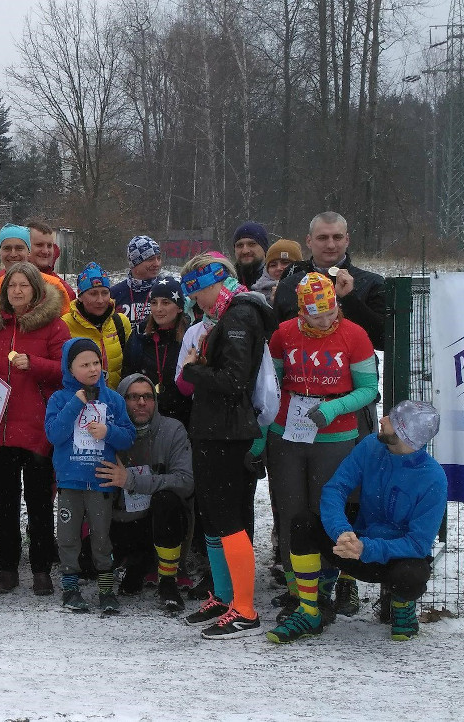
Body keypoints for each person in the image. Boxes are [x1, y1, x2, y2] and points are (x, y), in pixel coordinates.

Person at [267, 401, 445, 643]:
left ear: (406, 434)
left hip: (391, 559)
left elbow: (418, 544)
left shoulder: (433, 478)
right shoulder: (371, 445)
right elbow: (335, 488)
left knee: (412, 574)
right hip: (351, 545)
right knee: (303, 523)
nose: (382, 420)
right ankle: (309, 611)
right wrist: (341, 531)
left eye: (392, 419)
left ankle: (402, 606)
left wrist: (367, 548)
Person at [264, 273, 378, 628]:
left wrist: (334, 407)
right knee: (291, 512)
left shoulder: (354, 335)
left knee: (325, 511)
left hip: (335, 433)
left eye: (332, 312)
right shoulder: (283, 334)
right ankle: (297, 591)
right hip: (287, 431)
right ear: (301, 312)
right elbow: (270, 385)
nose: (327, 321)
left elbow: (369, 389)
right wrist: (261, 433)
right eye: (317, 316)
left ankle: (324, 591)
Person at [179, 253, 276, 639]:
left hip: (227, 432)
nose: (193, 301)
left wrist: (192, 369)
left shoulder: (239, 316)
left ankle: (245, 609)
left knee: (228, 518)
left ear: (214, 283)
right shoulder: (227, 314)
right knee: (215, 518)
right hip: (213, 429)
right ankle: (224, 596)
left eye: (195, 291)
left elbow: (234, 380)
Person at [0, 261, 70, 595]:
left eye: (23, 285)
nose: (16, 291)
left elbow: (66, 371)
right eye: (11, 285)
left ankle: (41, 569)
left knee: (40, 502)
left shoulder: (54, 326)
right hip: (0, 428)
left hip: (38, 427)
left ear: (36, 290)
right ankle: (8, 568)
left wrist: (35, 364)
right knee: (5, 502)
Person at [46, 338, 135, 612]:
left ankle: (106, 589)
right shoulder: (60, 399)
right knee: (68, 536)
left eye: (96, 362)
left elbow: (128, 437)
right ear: (70, 368)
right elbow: (54, 434)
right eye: (84, 365)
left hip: (101, 481)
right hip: (70, 481)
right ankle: (70, 588)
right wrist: (75, 404)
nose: (93, 369)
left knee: (101, 536)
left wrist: (109, 432)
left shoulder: (113, 399)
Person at [97, 374, 194, 611]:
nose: (141, 402)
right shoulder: (106, 432)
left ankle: (168, 581)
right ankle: (133, 564)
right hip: (121, 521)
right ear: (121, 400)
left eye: (148, 397)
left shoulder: (172, 430)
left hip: (159, 520)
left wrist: (132, 481)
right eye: (133, 397)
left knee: (168, 499)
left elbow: (185, 481)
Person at [274, 212, 385, 351]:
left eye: (337, 237)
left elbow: (384, 340)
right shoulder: (289, 285)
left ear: (347, 240)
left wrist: (350, 300)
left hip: (355, 364)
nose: (331, 245)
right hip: (300, 364)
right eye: (322, 238)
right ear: (309, 241)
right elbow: (277, 340)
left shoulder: (371, 283)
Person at [121, 276, 193, 430]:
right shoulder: (140, 334)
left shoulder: (190, 336)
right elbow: (128, 375)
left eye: (166, 303)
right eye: (154, 303)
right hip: (145, 415)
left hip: (183, 416)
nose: (158, 309)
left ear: (179, 307)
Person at [0, 224, 73, 316]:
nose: (13, 254)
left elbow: (66, 324)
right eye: (7, 248)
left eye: (19, 248)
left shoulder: (55, 286)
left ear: (28, 251)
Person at [62, 262, 132, 391]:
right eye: (93, 294)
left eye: (105, 293)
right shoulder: (65, 325)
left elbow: (131, 363)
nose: (100, 300)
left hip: (115, 398)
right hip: (79, 398)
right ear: (80, 295)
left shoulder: (120, 322)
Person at [110, 235, 164, 324]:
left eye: (158, 258)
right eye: (150, 259)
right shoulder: (114, 294)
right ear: (135, 263)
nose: (157, 264)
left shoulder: (166, 289)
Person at [27, 220, 76, 300]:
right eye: (39, 245)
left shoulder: (63, 290)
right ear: (25, 246)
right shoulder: (8, 281)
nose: (45, 251)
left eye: (49, 246)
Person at [251, 239, 302, 303]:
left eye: (285, 263)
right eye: (273, 265)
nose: (279, 268)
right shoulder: (256, 296)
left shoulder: (309, 288)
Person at [232, 221, 270, 289]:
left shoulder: (276, 280)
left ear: (264, 248)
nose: (245, 251)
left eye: (252, 244)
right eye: (240, 245)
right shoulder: (227, 283)